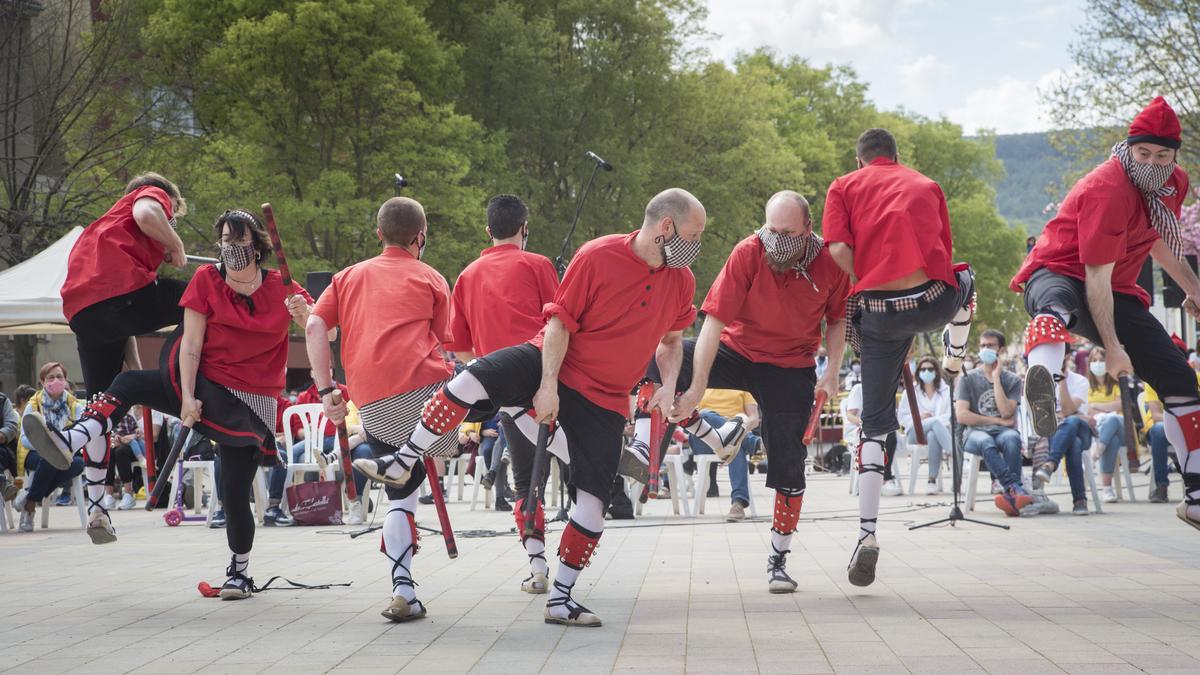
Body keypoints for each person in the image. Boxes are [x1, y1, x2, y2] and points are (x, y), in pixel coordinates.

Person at [352, 188, 706, 626]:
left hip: (606, 398)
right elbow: (558, 322)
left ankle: (560, 598)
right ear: (667, 227)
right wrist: (548, 385)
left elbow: (671, 342)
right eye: (696, 234)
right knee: (468, 381)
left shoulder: (681, 279)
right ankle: (405, 461)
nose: (699, 245)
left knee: (593, 503)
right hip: (548, 363)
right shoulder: (596, 256)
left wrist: (669, 385)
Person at [24, 209, 312, 599]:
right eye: (225, 241)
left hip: (251, 400)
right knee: (128, 382)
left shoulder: (283, 288)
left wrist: (305, 314)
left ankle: (239, 573)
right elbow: (190, 346)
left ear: (257, 247)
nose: (231, 249)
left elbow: (322, 334)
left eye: (238, 242)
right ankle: (72, 438)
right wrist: (189, 397)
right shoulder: (207, 280)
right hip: (204, 383)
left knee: (233, 489)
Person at [625, 190, 849, 594]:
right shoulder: (749, 252)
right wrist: (693, 388)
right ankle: (661, 442)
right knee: (654, 358)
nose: (777, 240)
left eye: (788, 232)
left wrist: (831, 370)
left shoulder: (831, 262)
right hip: (735, 349)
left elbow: (836, 321)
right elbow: (711, 323)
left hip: (790, 365)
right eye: (772, 230)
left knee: (789, 460)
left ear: (808, 229)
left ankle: (778, 558)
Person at [1015, 97, 1200, 531]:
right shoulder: (1107, 188)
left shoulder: (1174, 183)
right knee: (1056, 308)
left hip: (1117, 288)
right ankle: (1043, 386)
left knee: (1179, 379)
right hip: (1060, 270)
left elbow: (1161, 240)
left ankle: (1195, 496)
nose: (1152, 163)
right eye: (1142, 154)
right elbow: (1094, 280)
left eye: (1162, 156)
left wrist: (1195, 289)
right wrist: (1113, 350)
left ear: (1175, 155)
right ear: (1128, 148)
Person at [824, 127, 975, 587]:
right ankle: (953, 359)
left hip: (878, 312)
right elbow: (943, 255)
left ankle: (867, 534)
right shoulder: (926, 184)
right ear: (896, 156)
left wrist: (870, 277)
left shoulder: (843, 186)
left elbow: (837, 250)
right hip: (931, 300)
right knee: (967, 280)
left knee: (873, 424)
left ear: (859, 160)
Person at [305, 196, 464, 623]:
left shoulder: (346, 277)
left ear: (379, 235)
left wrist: (325, 390)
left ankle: (403, 587)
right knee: (484, 395)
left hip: (372, 400)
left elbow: (316, 324)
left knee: (400, 495)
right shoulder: (431, 277)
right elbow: (445, 341)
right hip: (426, 393)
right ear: (420, 237)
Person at [54, 174, 191, 535]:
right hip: (118, 297)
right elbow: (148, 214)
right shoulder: (149, 196)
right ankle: (188, 372)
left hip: (86, 313)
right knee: (202, 298)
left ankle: (98, 510)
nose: (170, 220)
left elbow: (121, 318)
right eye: (173, 214)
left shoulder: (103, 234)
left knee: (102, 405)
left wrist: (136, 375)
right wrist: (175, 244)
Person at [444, 194, 559, 522]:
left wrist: (488, 371)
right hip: (542, 378)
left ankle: (533, 548)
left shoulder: (466, 275)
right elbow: (559, 325)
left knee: (526, 481)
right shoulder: (538, 264)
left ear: (488, 230)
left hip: (501, 387)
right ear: (524, 228)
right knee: (562, 461)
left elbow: (462, 347)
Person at [955, 330, 1030, 515]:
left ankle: (1011, 498)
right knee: (985, 441)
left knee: (1012, 438)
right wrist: (996, 420)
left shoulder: (1011, 380)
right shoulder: (967, 378)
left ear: (1001, 350)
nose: (985, 349)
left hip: (1003, 432)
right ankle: (1014, 488)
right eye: (982, 346)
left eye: (990, 346)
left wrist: (996, 378)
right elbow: (962, 416)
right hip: (973, 433)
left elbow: (1007, 411)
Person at [12, 363, 86, 532]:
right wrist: (47, 445)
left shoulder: (75, 406)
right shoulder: (33, 405)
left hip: (69, 453)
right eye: (51, 377)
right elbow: (25, 439)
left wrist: (62, 445)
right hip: (36, 454)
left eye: (60, 377)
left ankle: (30, 499)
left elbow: (83, 435)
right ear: (42, 381)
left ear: (65, 380)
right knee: (50, 457)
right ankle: (30, 507)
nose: (56, 381)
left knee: (78, 464)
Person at [685, 388, 761, 522]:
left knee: (733, 443)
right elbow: (691, 415)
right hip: (703, 438)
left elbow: (754, 418)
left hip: (735, 434)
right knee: (705, 415)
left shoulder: (744, 386)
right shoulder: (703, 384)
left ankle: (738, 503)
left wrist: (734, 429)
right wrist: (727, 425)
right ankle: (754, 444)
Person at [1033, 351, 1092, 515]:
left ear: (1066, 358)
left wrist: (1062, 382)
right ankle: (1080, 500)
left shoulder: (1080, 381)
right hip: (1056, 433)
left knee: (1072, 421)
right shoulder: (1040, 381)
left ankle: (1050, 464)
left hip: (1081, 430)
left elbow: (1067, 411)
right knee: (1074, 445)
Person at [1143, 336, 1198, 503]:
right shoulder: (1153, 381)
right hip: (1164, 429)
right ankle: (1161, 485)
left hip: (1193, 425)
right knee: (1160, 430)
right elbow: (1156, 414)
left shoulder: (1195, 377)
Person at [1078, 346, 1127, 503]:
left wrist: (1097, 407)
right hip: (1098, 430)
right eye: (1095, 360)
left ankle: (1097, 452)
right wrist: (1107, 407)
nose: (1098, 363)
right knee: (1111, 440)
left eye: (1102, 360)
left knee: (1112, 420)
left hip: (1120, 427)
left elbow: (1119, 406)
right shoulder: (1086, 386)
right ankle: (1107, 489)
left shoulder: (1116, 384)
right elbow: (1086, 411)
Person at [897, 356, 952, 495]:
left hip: (938, 433)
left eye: (930, 369)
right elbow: (902, 417)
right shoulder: (910, 391)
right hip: (915, 433)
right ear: (918, 372)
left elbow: (950, 416)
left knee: (934, 434)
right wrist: (920, 418)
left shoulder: (946, 391)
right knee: (935, 422)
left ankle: (931, 480)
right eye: (923, 369)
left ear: (936, 371)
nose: (926, 372)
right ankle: (955, 453)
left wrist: (935, 420)